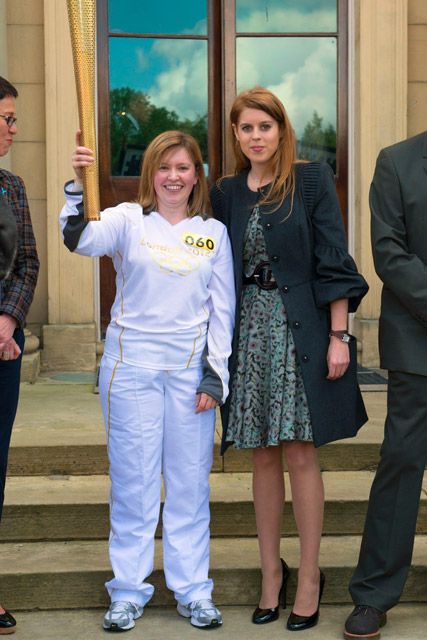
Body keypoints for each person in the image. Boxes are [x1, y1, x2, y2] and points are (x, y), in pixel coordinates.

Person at [60, 130, 235, 633]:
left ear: (196, 174)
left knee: (187, 486)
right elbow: (80, 240)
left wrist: (215, 373)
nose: (173, 177)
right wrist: (79, 184)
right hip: (130, 367)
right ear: (150, 174)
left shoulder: (213, 234)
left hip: (188, 374)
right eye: (164, 168)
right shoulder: (125, 221)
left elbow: (222, 311)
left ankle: (193, 591)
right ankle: (128, 592)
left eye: (183, 168)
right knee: (134, 486)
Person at [210, 86, 369, 631]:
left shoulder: (311, 180)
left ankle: (307, 576)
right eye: (246, 128)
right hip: (248, 333)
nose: (256, 136)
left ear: (282, 129)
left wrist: (339, 336)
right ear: (235, 135)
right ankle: (269, 576)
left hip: (302, 329)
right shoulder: (226, 191)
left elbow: (334, 258)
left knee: (301, 452)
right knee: (259, 456)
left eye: (265, 126)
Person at [344, 131, 427, 639]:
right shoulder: (396, 161)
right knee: (401, 463)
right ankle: (374, 594)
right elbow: (388, 251)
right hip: (418, 343)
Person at [0, 76, 39, 635]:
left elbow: (27, 261)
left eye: (14, 119)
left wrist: (7, 320)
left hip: (2, 349)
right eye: (5, 118)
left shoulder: (12, 186)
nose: (12, 129)